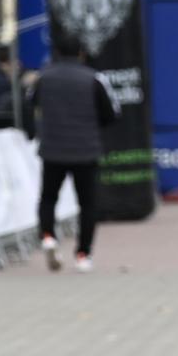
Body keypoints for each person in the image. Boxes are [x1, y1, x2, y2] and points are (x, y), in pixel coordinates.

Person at [27, 33, 116, 273]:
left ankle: (47, 235)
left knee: (48, 197)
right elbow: (110, 114)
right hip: (86, 150)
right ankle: (83, 254)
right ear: (82, 53)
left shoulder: (43, 78)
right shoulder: (94, 79)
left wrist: (35, 132)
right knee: (87, 203)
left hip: (53, 148)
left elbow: (29, 106)